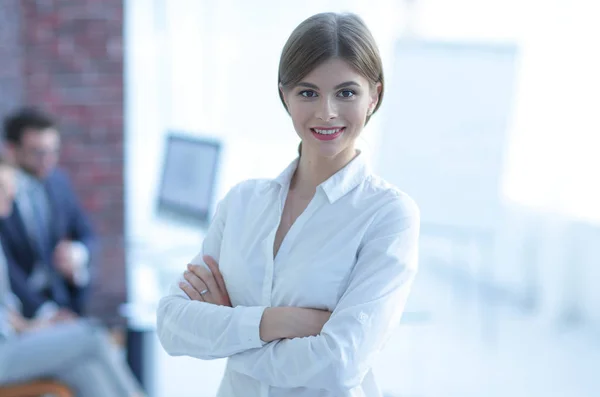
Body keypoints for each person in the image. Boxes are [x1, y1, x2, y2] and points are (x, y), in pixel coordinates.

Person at [157, 12, 420, 397]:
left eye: (346, 92)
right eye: (307, 92)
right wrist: (280, 321)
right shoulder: (242, 202)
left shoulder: (388, 215)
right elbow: (171, 324)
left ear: (374, 96)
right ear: (285, 95)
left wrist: (230, 334)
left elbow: (339, 364)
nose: (326, 111)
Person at [0, 157, 144, 397]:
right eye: (2, 189)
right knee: (92, 336)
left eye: (11, 190)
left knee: (85, 369)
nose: (10, 199)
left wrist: (35, 326)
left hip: (11, 341)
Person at [0, 107, 96, 318]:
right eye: (38, 152)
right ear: (11, 149)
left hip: (63, 300)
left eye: (53, 151)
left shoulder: (58, 182)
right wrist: (46, 314)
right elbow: (6, 268)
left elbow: (86, 233)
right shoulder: (3, 189)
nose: (48, 160)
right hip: (20, 310)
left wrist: (77, 254)